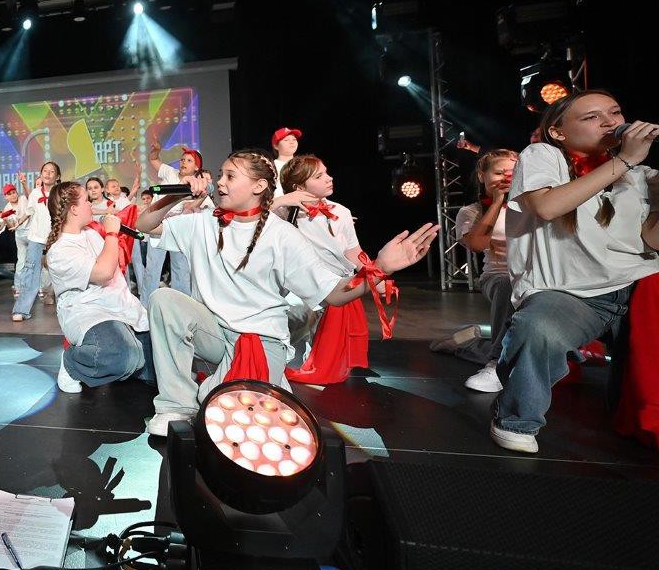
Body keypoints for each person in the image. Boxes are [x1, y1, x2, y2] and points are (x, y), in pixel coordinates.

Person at [134, 151, 437, 437]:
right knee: (163, 299)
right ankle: (177, 406)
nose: (220, 182)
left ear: (259, 186)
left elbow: (333, 293)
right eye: (221, 175)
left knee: (225, 413)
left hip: (260, 340)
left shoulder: (282, 236)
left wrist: (380, 268)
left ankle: (252, 385)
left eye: (230, 176)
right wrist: (177, 194)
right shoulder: (203, 223)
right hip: (215, 333)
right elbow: (144, 225)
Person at [490, 92, 659, 453]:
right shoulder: (542, 155)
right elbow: (547, 207)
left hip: (637, 285)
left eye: (615, 112)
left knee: (633, 387)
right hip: (571, 295)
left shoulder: (639, 174)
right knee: (536, 328)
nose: (610, 121)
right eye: (592, 117)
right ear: (558, 131)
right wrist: (625, 160)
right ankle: (516, 418)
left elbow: (650, 240)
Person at [275, 155, 392, 384]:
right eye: (319, 176)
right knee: (294, 323)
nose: (329, 178)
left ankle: (314, 367)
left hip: (338, 285)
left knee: (323, 343)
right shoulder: (285, 214)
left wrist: (376, 277)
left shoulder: (341, 212)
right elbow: (255, 216)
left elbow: (353, 252)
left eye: (326, 173)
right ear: (299, 187)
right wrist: (283, 200)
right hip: (302, 288)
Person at [44, 181, 154, 394]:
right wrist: (112, 234)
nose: (91, 204)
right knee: (125, 357)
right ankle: (72, 363)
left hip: (122, 309)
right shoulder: (59, 251)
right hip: (92, 313)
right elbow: (103, 273)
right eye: (86, 200)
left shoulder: (91, 234)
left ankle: (126, 361)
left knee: (162, 369)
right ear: (74, 209)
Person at [429, 150, 519, 391]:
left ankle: (467, 344)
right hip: (499, 275)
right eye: (499, 172)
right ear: (482, 176)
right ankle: (495, 363)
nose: (506, 178)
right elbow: (477, 244)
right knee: (507, 284)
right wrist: (497, 202)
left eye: (512, 172)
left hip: (535, 276)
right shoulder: (471, 212)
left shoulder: (534, 204)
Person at [142, 142, 204, 303]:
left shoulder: (197, 185)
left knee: (181, 270)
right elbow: (153, 159)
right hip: (158, 225)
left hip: (180, 227)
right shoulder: (170, 172)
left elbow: (199, 205)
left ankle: (181, 308)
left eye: (189, 160)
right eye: (182, 159)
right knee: (152, 269)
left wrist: (191, 204)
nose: (183, 162)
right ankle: (146, 307)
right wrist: (156, 150)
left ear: (197, 167)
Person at [12, 161, 60, 321]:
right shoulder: (35, 193)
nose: (48, 174)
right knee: (30, 272)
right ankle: (21, 310)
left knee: (60, 271)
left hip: (56, 238)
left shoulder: (60, 193)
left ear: (57, 176)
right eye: (45, 170)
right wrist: (19, 222)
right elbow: (29, 211)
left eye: (52, 171)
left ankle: (65, 305)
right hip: (36, 237)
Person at [271, 127, 303, 197]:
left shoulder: (303, 164)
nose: (292, 142)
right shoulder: (272, 167)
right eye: (286, 140)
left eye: (294, 139)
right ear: (276, 146)